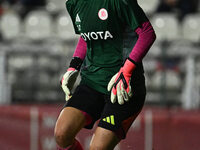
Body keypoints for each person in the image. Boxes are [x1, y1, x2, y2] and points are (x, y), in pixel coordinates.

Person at [54, 0, 156, 149]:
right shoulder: (74, 3)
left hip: (122, 87)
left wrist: (126, 70)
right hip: (92, 82)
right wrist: (73, 67)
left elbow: (147, 33)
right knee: (61, 135)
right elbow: (86, 35)